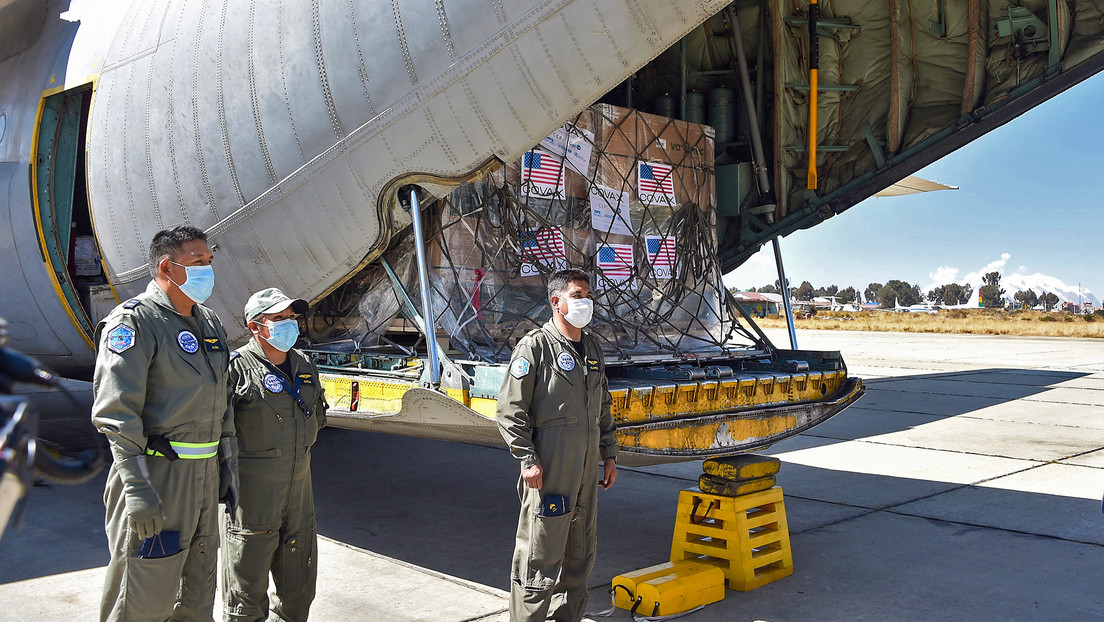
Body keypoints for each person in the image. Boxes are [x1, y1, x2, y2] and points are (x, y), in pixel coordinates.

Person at [91, 225, 234, 622]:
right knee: (142, 595)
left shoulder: (209, 323)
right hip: (157, 476)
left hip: (203, 477)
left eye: (209, 260)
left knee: (197, 593)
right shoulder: (135, 322)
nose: (208, 269)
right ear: (167, 267)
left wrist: (229, 466)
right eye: (197, 261)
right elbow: (116, 413)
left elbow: (221, 402)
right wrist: (137, 489)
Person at [496, 268, 619, 622]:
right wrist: (527, 459)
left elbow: (603, 405)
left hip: (586, 468)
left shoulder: (591, 348)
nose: (586, 302)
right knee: (540, 552)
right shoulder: (535, 347)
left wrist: (609, 454)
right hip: (550, 465)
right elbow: (509, 411)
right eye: (578, 296)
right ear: (556, 301)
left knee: (580, 552)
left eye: (588, 296)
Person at [221, 288, 327, 622]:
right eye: (278, 318)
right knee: (245, 599)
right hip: (252, 503)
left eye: (291, 317)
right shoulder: (236, 369)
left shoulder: (304, 365)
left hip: (299, 500)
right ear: (255, 326)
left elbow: (317, 418)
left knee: (299, 593)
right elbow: (217, 433)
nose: (289, 324)